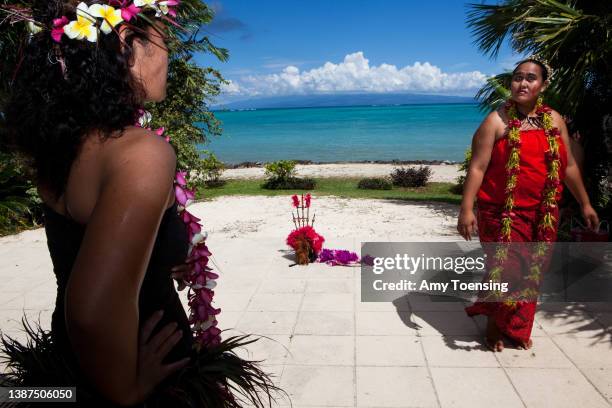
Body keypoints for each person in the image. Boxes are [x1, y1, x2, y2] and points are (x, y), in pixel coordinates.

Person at [0, 1, 277, 406]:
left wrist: (161, 256)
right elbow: (90, 309)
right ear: (129, 43)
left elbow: (87, 243)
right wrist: (125, 389)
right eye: (166, 43)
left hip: (71, 363)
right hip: (135, 373)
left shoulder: (64, 147)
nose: (171, 58)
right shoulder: (141, 153)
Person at [457, 57, 599, 352]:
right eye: (518, 77)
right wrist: (467, 209)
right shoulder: (496, 121)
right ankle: (494, 326)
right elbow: (478, 168)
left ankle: (516, 326)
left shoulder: (555, 120)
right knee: (506, 268)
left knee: (532, 269)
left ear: (543, 85)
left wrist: (585, 203)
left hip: (542, 213)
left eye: (530, 78)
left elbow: (569, 165)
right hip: (500, 214)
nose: (522, 83)